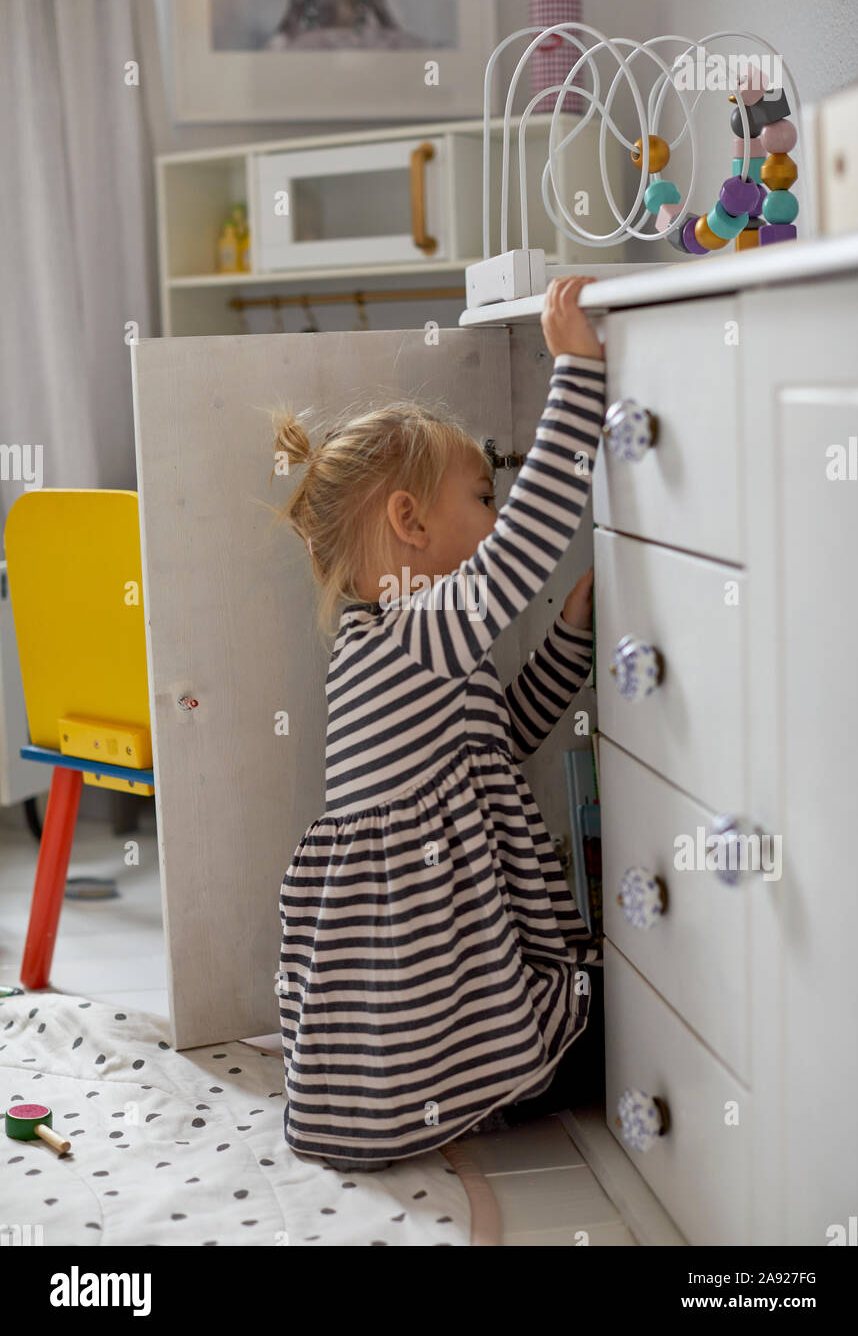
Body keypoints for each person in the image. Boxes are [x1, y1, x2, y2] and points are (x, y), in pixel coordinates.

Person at [273, 276, 606, 1170]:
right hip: (425, 967)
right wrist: (575, 372)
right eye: (481, 498)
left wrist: (569, 642)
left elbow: (503, 738)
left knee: (579, 1022)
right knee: (597, 1035)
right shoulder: (418, 633)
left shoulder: (407, 639)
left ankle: (493, 1082)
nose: (495, 519)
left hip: (445, 938)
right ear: (410, 522)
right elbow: (529, 540)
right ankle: (483, 1090)